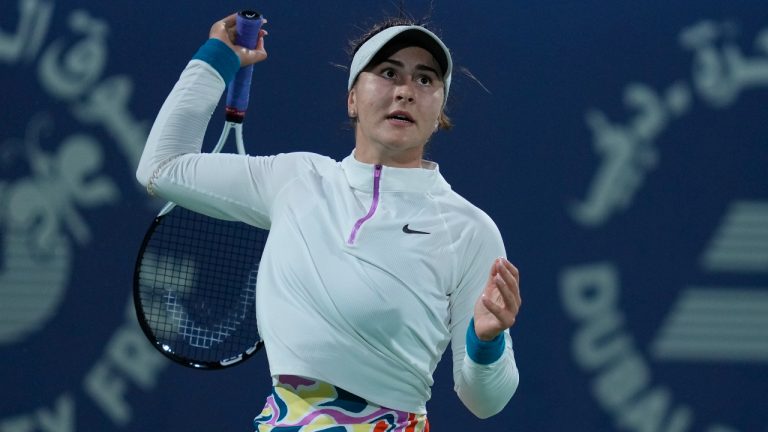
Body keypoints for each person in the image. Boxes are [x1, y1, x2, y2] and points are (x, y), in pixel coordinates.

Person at [136, 11, 521, 431]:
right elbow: (161, 166)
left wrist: (487, 342)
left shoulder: (468, 230)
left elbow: (484, 401)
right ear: (352, 98)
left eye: (425, 80)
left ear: (440, 110)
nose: (406, 91)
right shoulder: (296, 180)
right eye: (389, 73)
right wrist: (215, 61)